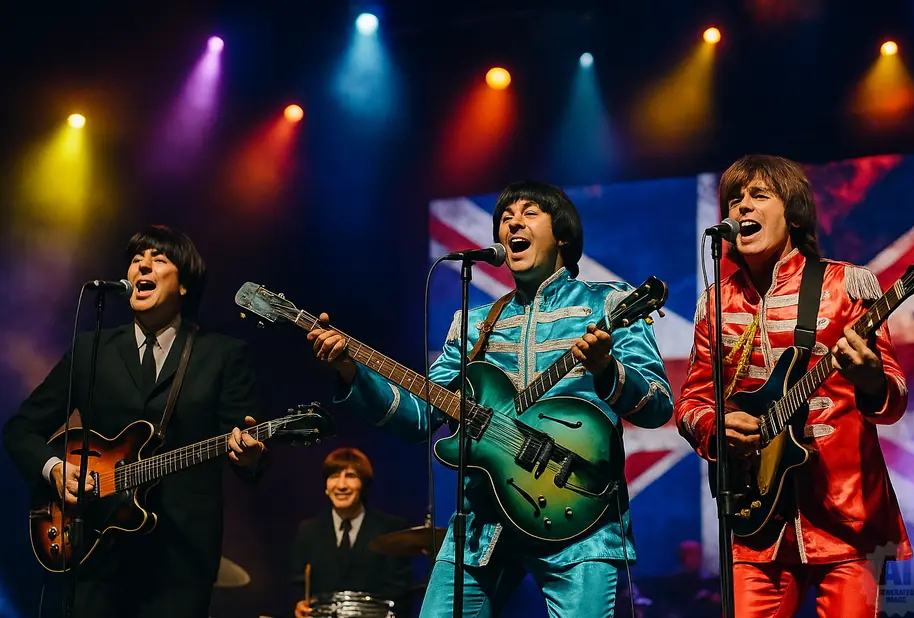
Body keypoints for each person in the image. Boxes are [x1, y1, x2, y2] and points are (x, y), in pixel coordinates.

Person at [308, 180, 673, 617]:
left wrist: (605, 370)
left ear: (562, 234)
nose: (513, 222)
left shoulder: (609, 304)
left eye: (529, 212)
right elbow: (420, 416)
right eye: (505, 217)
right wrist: (352, 370)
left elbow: (658, 404)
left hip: (580, 516)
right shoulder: (474, 323)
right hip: (483, 521)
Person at [675, 155, 911, 617]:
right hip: (754, 519)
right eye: (735, 199)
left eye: (759, 196)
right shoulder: (716, 303)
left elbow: (894, 398)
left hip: (847, 517)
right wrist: (716, 425)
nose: (742, 207)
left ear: (795, 213)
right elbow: (693, 401)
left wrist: (869, 378)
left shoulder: (845, 285)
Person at [2, 225, 266, 618]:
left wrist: (247, 455)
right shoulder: (92, 348)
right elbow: (20, 428)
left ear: (184, 285)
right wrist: (56, 469)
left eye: (159, 259)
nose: (143, 265)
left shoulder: (223, 355)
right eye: (136, 260)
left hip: (180, 559)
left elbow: (245, 449)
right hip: (94, 547)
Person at [290, 447, 412, 618]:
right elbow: (297, 585)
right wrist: (298, 604)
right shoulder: (308, 530)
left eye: (350, 476)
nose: (341, 485)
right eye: (334, 477)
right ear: (325, 487)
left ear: (364, 484)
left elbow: (399, 593)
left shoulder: (391, 528)